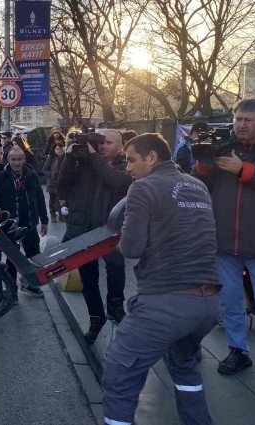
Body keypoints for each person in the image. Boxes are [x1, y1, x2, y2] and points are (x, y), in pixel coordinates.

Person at [102, 133, 220, 425]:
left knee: (120, 371)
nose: (128, 167)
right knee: (184, 367)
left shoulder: (142, 188)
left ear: (151, 157)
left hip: (165, 303)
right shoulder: (198, 186)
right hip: (208, 304)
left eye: (131, 160)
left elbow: (131, 248)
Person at [193, 99, 255, 380]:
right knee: (228, 300)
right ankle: (238, 350)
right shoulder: (223, 146)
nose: (241, 125)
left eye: (248, 120)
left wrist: (243, 169)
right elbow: (200, 185)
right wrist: (204, 164)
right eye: (238, 119)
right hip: (224, 240)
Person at [56, 129, 132, 343]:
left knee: (115, 267)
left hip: (110, 230)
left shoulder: (124, 164)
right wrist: (70, 158)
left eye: (109, 142)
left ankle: (115, 305)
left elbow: (118, 181)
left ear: (120, 147)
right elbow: (63, 185)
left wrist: (92, 156)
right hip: (84, 230)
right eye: (101, 142)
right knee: (88, 279)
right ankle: (95, 318)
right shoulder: (84, 163)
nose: (103, 145)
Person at [0, 147, 49, 299]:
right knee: (12, 260)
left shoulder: (32, 175)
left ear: (24, 159)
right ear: (8, 159)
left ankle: (30, 284)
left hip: (29, 223)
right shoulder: (1, 176)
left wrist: (44, 220)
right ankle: (12, 292)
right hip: (10, 226)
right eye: (13, 159)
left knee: (34, 257)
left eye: (19, 159)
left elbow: (40, 198)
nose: (16, 163)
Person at [42, 142, 65, 222]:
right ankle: (53, 214)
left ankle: (61, 214)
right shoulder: (51, 158)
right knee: (52, 199)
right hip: (52, 183)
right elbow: (44, 169)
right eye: (57, 149)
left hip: (62, 183)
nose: (59, 151)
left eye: (60, 149)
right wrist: (51, 175)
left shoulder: (65, 158)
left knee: (61, 199)